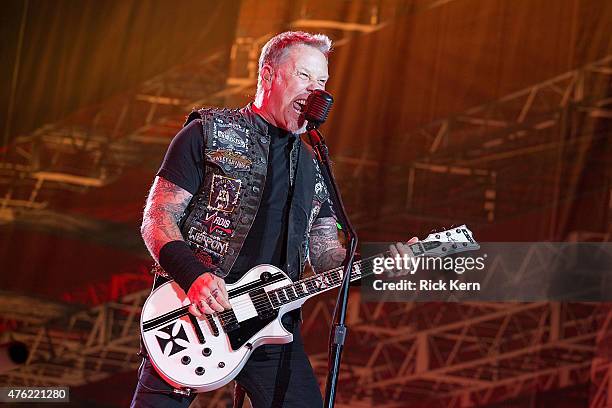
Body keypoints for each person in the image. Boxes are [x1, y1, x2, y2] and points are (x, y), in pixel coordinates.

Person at [130, 31, 415, 408]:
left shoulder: (315, 169)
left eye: (323, 82)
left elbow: (328, 256)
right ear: (267, 76)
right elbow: (158, 217)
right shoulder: (207, 133)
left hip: (270, 323)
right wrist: (194, 276)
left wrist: (383, 266)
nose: (317, 92)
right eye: (304, 77)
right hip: (192, 312)